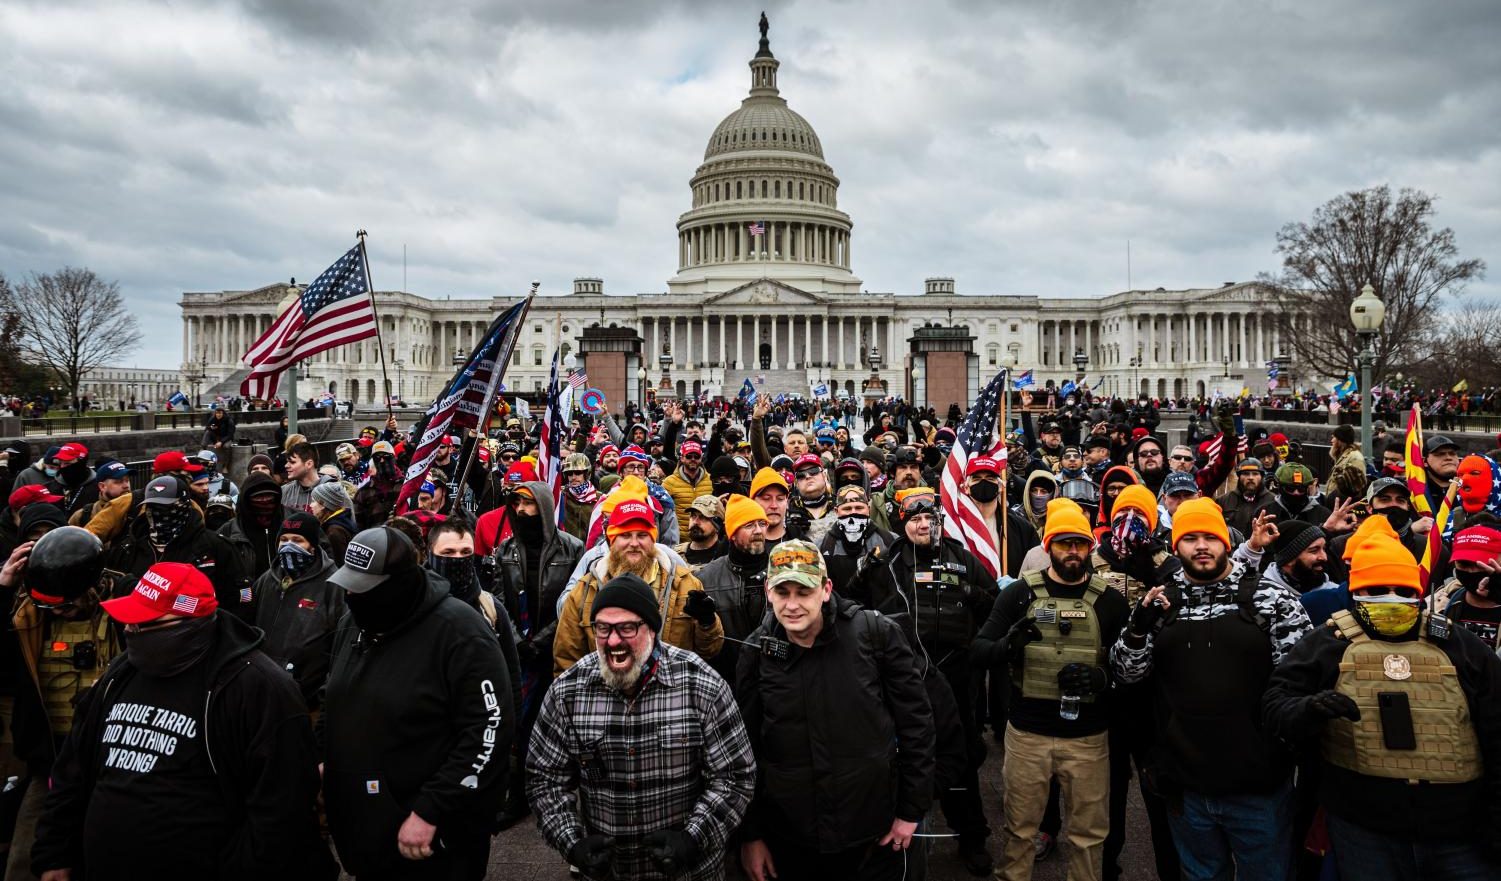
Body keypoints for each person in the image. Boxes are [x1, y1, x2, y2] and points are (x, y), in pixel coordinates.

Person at [31, 562, 336, 880]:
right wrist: (55, 852)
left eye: (144, 622)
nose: (129, 630)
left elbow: (283, 810)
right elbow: (72, 770)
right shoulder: (120, 673)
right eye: (129, 620)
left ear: (188, 621)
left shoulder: (258, 688)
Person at [1262, 525, 1501, 880]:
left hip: (1460, 831)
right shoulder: (1327, 644)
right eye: (1376, 590)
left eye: (1402, 591)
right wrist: (1310, 710)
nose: (1390, 598)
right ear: (1356, 594)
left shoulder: (1460, 646)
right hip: (1364, 829)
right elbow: (1274, 707)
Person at [1110, 499, 1310, 881]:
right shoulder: (1160, 602)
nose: (1201, 546)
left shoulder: (1274, 601)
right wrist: (1138, 628)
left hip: (1258, 788)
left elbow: (1298, 685)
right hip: (1187, 789)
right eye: (1190, 538)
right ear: (1175, 546)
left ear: (1224, 541)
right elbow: (1126, 674)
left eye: (1210, 537)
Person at [527, 572, 756, 881]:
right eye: (603, 628)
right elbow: (544, 779)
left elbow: (735, 776)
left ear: (651, 629)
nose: (613, 641)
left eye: (627, 628)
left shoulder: (702, 684)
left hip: (690, 871)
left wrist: (693, 837)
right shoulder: (568, 691)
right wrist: (572, 842)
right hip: (610, 873)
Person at [322, 527, 514, 880]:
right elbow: (337, 695)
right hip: (367, 830)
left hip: (432, 836)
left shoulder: (460, 631)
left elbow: (488, 730)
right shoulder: (355, 622)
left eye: (363, 588)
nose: (351, 595)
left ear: (396, 584)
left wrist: (432, 809)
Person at [736, 540, 935, 881]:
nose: (793, 604)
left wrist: (910, 812)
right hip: (793, 839)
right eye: (783, 592)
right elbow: (745, 752)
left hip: (873, 834)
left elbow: (917, 727)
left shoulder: (875, 635)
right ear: (769, 591)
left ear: (826, 589)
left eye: (804, 591)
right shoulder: (756, 653)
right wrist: (751, 836)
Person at [973, 498, 1127, 881]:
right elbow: (978, 652)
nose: (1072, 551)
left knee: (1088, 836)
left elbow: (1131, 668)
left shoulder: (1109, 601)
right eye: (1063, 543)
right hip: (1028, 734)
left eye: (1079, 543)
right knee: (1019, 831)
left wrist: (1102, 679)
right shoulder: (1018, 595)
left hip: (1088, 739)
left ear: (1090, 546)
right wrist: (1008, 645)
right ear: (1048, 545)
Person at [855, 487, 999, 875]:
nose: (924, 525)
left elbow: (996, 606)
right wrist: (863, 574)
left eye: (930, 519)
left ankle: (972, 835)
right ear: (905, 523)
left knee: (963, 754)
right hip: (906, 674)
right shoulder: (888, 561)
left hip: (956, 672)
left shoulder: (962, 558)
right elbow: (860, 609)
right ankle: (899, 823)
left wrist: (972, 597)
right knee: (906, 750)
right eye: (916, 519)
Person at [0, 526, 120, 881]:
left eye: (64, 606)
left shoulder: (122, 605)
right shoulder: (26, 616)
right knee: (25, 862)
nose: (55, 614)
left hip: (111, 766)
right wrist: (3, 588)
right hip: (50, 764)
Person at [490, 479, 583, 827]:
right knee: (517, 723)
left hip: (555, 648)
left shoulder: (571, 549)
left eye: (528, 504)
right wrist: (516, 640)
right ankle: (519, 792)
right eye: (516, 504)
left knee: (556, 725)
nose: (521, 511)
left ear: (542, 507)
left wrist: (542, 640)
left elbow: (571, 605)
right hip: (517, 652)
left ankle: (556, 790)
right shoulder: (504, 550)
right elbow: (498, 600)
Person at [552, 496, 723, 676]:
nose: (634, 544)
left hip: (670, 696)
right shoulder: (585, 591)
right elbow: (566, 661)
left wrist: (707, 623)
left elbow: (710, 651)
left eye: (642, 535)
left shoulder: (685, 585)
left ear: (653, 540)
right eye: (625, 535)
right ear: (611, 540)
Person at [120, 475, 251, 622]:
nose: (158, 514)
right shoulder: (131, 548)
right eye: (153, 508)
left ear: (184, 505)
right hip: (144, 635)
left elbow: (243, 595)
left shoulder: (216, 546)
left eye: (166, 508)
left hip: (201, 634)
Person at [251, 512, 343, 712]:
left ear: (313, 545)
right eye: (283, 540)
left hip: (306, 698)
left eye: (297, 540)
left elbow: (340, 642)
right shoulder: (266, 580)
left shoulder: (333, 584)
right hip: (260, 689)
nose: (288, 546)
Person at [695, 495, 772, 681]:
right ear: (732, 534)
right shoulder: (705, 579)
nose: (758, 531)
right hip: (726, 679)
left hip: (774, 680)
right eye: (749, 525)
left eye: (762, 523)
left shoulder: (784, 570)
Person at [663, 440, 713, 534]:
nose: (693, 459)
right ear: (682, 458)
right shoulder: (669, 482)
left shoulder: (711, 480)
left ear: (701, 458)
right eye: (689, 456)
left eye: (696, 456)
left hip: (705, 537)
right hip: (679, 539)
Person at [1215, 459, 1273, 537]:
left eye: (1255, 474)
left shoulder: (1273, 500)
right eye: (1246, 474)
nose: (1250, 477)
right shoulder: (1223, 500)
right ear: (1239, 477)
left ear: (1261, 477)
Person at [310, 481, 357, 564]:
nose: (311, 505)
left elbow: (338, 564)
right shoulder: (339, 523)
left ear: (323, 504)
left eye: (313, 501)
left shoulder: (334, 531)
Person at [676, 494, 727, 567]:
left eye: (703, 517)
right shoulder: (675, 555)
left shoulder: (726, 559)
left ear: (717, 523)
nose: (695, 522)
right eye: (693, 516)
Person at [281, 442, 321, 514]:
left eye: (292, 462)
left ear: (309, 464)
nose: (286, 466)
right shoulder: (284, 491)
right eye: (287, 462)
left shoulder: (332, 490)